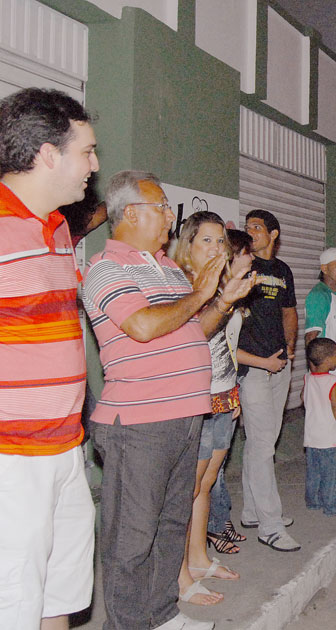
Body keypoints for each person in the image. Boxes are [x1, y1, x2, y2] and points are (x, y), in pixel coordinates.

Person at [83, 171, 249, 630]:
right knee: (132, 537)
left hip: (185, 415)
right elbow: (143, 326)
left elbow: (193, 329)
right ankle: (129, 624)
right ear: (131, 213)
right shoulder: (106, 269)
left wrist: (222, 302)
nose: (168, 218)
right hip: (139, 423)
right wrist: (201, 294)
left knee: (171, 523)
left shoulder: (168, 268)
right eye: (160, 207)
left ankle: (162, 614)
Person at [0, 87, 98, 630]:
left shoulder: (59, 228)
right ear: (47, 155)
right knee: (14, 604)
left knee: (61, 596)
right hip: (12, 459)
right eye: (87, 151)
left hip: (65, 448)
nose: (95, 165)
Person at [171, 212, 256, 604]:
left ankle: (199, 558)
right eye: (206, 240)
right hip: (196, 398)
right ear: (187, 243)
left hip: (223, 393)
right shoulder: (181, 285)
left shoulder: (222, 284)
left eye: (220, 240)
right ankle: (179, 575)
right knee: (187, 487)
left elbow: (226, 345)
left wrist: (232, 391)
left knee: (206, 483)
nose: (216, 248)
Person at [237, 209, 300, 552]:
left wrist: (290, 347)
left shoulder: (282, 270)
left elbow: (289, 312)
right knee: (262, 444)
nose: (251, 232)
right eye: (247, 227)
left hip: (279, 363)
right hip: (253, 366)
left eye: (257, 227)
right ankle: (270, 526)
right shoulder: (242, 265)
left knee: (262, 442)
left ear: (273, 234)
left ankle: (251, 510)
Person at [205, 229, 254, 553]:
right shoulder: (209, 297)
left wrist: (233, 392)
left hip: (225, 389)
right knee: (205, 472)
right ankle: (212, 527)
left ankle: (218, 521)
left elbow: (229, 351)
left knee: (217, 468)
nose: (252, 265)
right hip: (205, 393)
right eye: (246, 258)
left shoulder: (233, 298)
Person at [304, 248, 336, 466]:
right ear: (324, 268)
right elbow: (311, 339)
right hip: (330, 387)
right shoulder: (320, 296)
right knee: (330, 443)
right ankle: (329, 485)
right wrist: (316, 384)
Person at [303, 337, 336, 516]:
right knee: (332, 472)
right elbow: (335, 406)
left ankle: (313, 501)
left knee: (314, 471)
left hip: (311, 436)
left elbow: (303, 398)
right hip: (329, 436)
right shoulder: (333, 381)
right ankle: (332, 506)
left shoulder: (307, 378)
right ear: (328, 359)